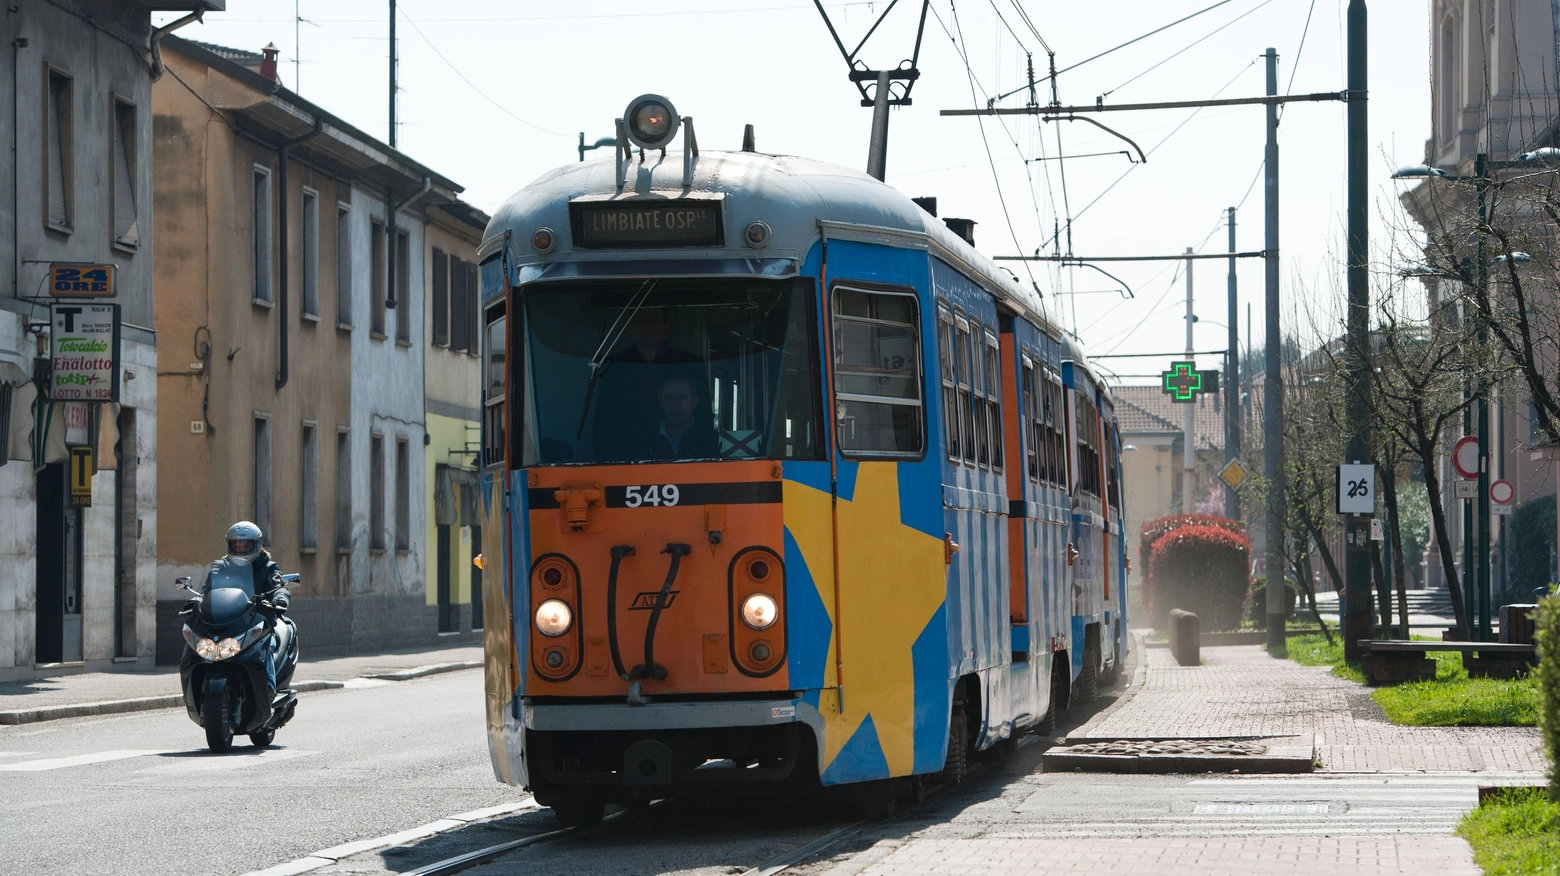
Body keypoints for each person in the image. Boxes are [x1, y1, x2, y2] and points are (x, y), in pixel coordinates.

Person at [590, 308, 698, 460]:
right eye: (640, 321)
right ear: (631, 326)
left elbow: (702, 418)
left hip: (683, 457)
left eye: (653, 320)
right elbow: (603, 421)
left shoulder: (689, 364)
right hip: (624, 457)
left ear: (666, 326)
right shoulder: (614, 366)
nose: (647, 327)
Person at [219, 521, 291, 614]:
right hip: (228, 618)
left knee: (280, 628)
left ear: (258, 544)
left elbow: (278, 586)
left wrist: (280, 599)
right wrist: (197, 600)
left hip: (260, 618)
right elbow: (207, 590)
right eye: (236, 547)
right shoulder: (223, 568)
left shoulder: (268, 568)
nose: (241, 550)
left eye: (246, 546)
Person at [644, 375, 720, 460]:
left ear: (694, 402)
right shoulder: (643, 441)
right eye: (669, 398)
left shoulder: (714, 442)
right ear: (660, 402)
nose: (675, 405)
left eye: (682, 398)